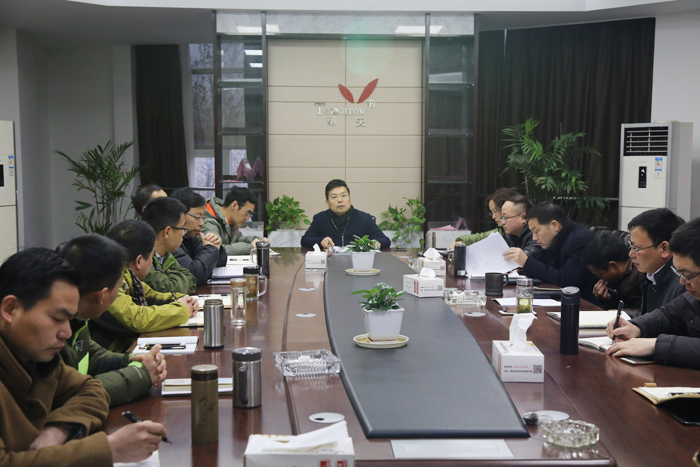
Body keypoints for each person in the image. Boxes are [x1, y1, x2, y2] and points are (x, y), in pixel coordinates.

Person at [0, 248, 166, 465]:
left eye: (69, 320)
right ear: (10, 309)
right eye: (57, 319)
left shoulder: (35, 357)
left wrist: (56, 431)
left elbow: (90, 389)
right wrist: (109, 449)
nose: (67, 333)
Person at [58, 234, 167, 407]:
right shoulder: (54, 333)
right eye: (118, 287)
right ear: (102, 295)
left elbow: (91, 355)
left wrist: (133, 360)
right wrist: (141, 374)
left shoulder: (77, 319)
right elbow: (71, 395)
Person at [89, 220, 198, 353]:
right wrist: (181, 310)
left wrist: (181, 300)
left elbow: (152, 296)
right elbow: (136, 319)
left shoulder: (124, 273)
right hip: (108, 357)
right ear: (139, 261)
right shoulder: (106, 279)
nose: (152, 262)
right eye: (151, 257)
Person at [606, 217, 700, 369]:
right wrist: (636, 327)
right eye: (679, 273)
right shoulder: (693, 297)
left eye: (688, 275)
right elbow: (668, 315)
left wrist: (657, 345)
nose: (682, 282)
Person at [504, 203, 597, 302]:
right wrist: (520, 268)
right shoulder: (555, 239)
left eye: (536, 231)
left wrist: (526, 262)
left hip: (584, 305)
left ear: (554, 225)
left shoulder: (578, 240)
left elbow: (566, 280)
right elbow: (546, 268)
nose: (534, 238)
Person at [300, 179, 390, 249]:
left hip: (357, 263)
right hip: (330, 262)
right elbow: (305, 240)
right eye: (334, 197)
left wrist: (375, 242)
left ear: (349, 198)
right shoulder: (320, 219)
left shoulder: (364, 218)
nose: (340, 200)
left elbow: (385, 240)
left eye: (343, 195)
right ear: (327, 202)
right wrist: (321, 241)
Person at [627, 208, 685, 315]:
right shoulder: (651, 276)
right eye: (631, 246)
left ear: (664, 249)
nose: (631, 254)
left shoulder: (683, 285)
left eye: (637, 248)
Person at [171, 187, 227, 286]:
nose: (202, 223)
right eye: (197, 217)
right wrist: (211, 249)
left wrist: (216, 246)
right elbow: (194, 275)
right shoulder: (171, 241)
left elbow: (220, 261)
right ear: (180, 215)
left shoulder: (190, 237)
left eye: (203, 217)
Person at [141, 197, 197, 294]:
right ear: (167, 232)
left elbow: (192, 280)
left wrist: (171, 278)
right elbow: (167, 289)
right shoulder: (143, 257)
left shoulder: (166, 255)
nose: (184, 234)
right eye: (183, 228)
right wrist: (174, 277)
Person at [581, 233, 645, 315]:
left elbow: (649, 312)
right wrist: (608, 298)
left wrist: (620, 313)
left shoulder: (642, 274)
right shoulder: (619, 275)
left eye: (599, 275)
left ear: (613, 266)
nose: (601, 279)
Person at [203, 186, 269, 255]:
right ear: (234, 205)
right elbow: (217, 249)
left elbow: (238, 239)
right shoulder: (208, 223)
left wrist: (258, 240)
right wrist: (251, 247)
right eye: (247, 213)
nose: (247, 218)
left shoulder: (231, 222)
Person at [448, 188, 516, 250]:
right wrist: (462, 241)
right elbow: (482, 237)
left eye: (495, 211)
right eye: (492, 212)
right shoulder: (502, 230)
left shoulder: (518, 231)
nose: (493, 217)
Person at [499, 195, 542, 259]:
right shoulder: (509, 235)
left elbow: (525, 260)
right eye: (502, 218)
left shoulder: (535, 235)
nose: (502, 223)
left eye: (506, 217)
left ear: (523, 217)